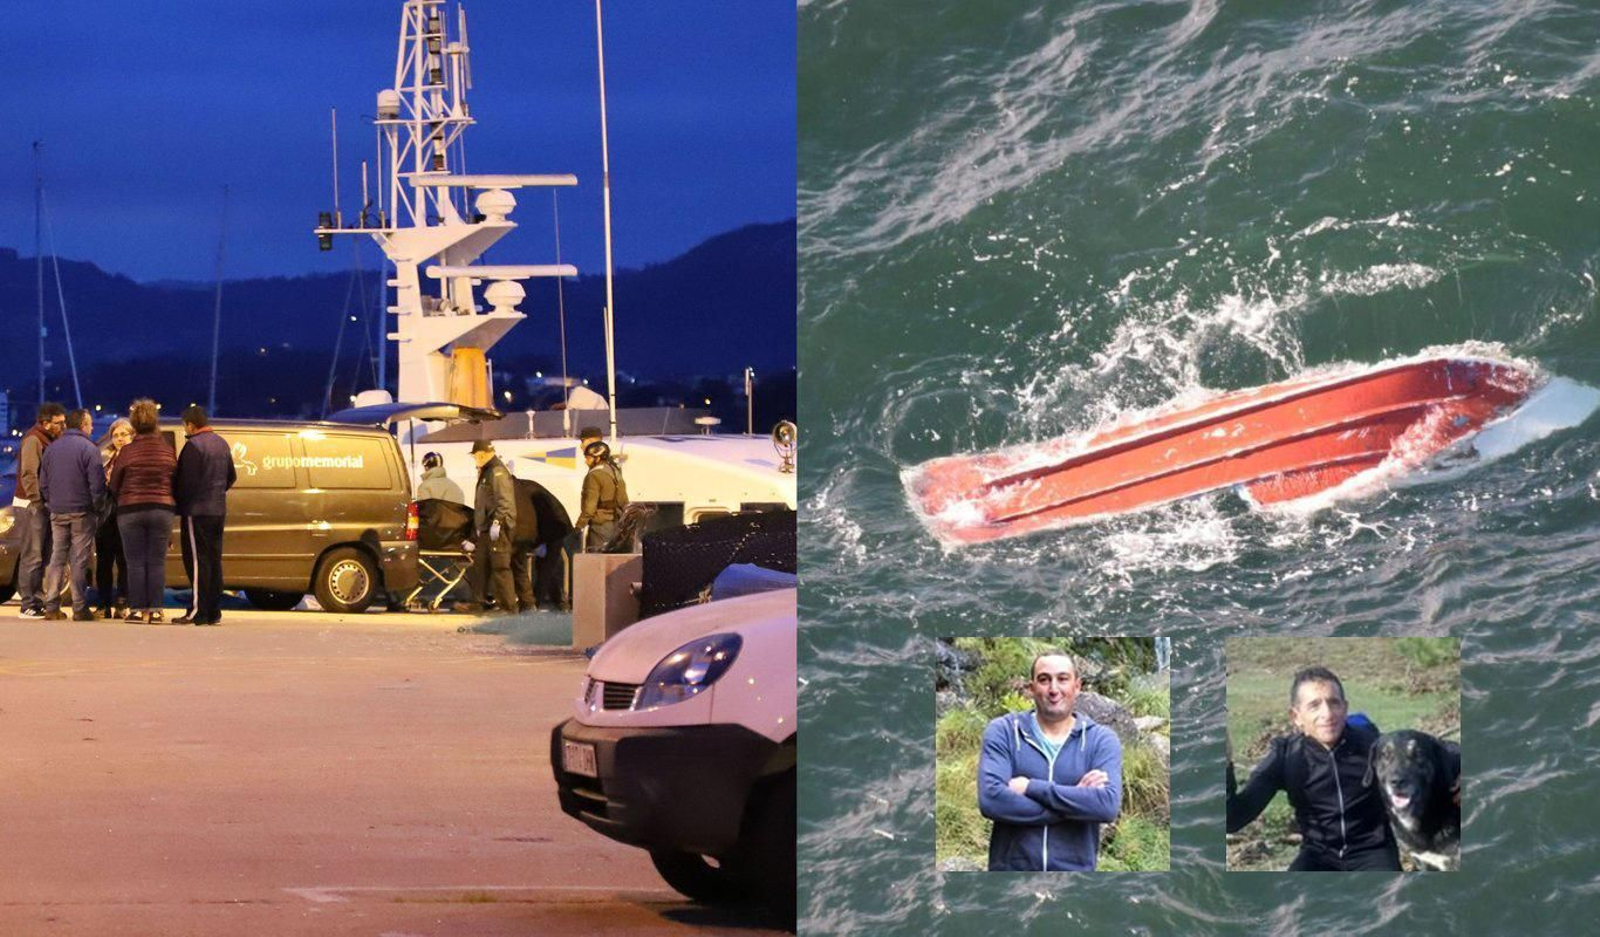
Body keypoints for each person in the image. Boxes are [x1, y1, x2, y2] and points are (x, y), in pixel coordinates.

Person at [1226, 666, 1401, 871]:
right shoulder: (1286, 755)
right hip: (1318, 854)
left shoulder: (1373, 744)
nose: (1327, 713)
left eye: (1334, 703)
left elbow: (1425, 771)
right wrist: (1225, 763)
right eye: (1314, 705)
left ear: (1345, 708)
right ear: (1296, 716)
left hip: (1373, 851)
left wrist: (1449, 785)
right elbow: (1233, 819)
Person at [977, 651, 1123, 871]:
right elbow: (992, 800)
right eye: (1044, 680)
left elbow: (1106, 806)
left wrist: (1031, 787)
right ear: (1032, 688)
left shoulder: (1100, 739)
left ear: (1077, 686)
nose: (1054, 689)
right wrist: (1075, 801)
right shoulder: (1005, 731)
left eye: (1062, 679)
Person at [110, 399, 178, 624]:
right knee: (157, 561)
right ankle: (157, 609)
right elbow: (175, 481)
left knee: (135, 561)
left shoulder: (127, 452)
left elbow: (114, 484)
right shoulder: (168, 450)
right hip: (162, 509)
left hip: (130, 510)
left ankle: (138, 610)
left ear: (134, 424)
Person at [38, 409, 106, 621]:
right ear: (83, 426)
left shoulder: (52, 448)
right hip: (81, 511)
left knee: (57, 558)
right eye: (90, 424)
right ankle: (79, 607)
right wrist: (98, 506)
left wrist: (52, 501)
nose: (92, 427)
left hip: (57, 511)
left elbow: (44, 482)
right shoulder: (89, 448)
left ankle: (51, 605)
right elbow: (96, 484)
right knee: (79, 559)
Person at [172, 404, 236, 626]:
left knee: (198, 562)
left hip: (196, 511)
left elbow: (185, 483)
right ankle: (213, 610)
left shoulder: (194, 447)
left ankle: (197, 611)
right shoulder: (222, 443)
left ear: (190, 424)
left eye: (184, 426)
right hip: (218, 510)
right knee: (213, 559)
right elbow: (231, 476)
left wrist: (179, 505)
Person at [13, 402, 66, 618]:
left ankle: (37, 599)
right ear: (45, 423)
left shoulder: (49, 440)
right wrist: (37, 500)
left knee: (42, 556)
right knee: (32, 556)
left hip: (42, 504)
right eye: (58, 423)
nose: (62, 427)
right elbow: (28, 473)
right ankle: (28, 604)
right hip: (31, 505)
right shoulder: (33, 440)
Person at [454, 440, 517, 614]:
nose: (474, 459)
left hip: (497, 529)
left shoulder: (496, 472)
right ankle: (478, 602)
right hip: (486, 529)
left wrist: (498, 522)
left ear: (481, 454)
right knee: (480, 566)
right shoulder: (488, 471)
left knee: (500, 567)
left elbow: (505, 501)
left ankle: (508, 607)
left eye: (475, 456)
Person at [95, 417, 134, 618]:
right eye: (116, 435)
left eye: (123, 434)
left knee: (124, 559)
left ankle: (122, 601)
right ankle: (103, 603)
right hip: (106, 514)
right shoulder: (106, 457)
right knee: (104, 560)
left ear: (132, 436)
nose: (119, 438)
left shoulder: (134, 457)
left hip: (125, 511)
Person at [575, 439, 629, 552]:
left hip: (600, 526)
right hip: (616, 523)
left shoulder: (594, 476)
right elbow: (623, 501)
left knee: (597, 561)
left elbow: (589, 508)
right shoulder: (614, 471)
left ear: (597, 458)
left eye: (588, 458)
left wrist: (579, 526)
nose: (586, 461)